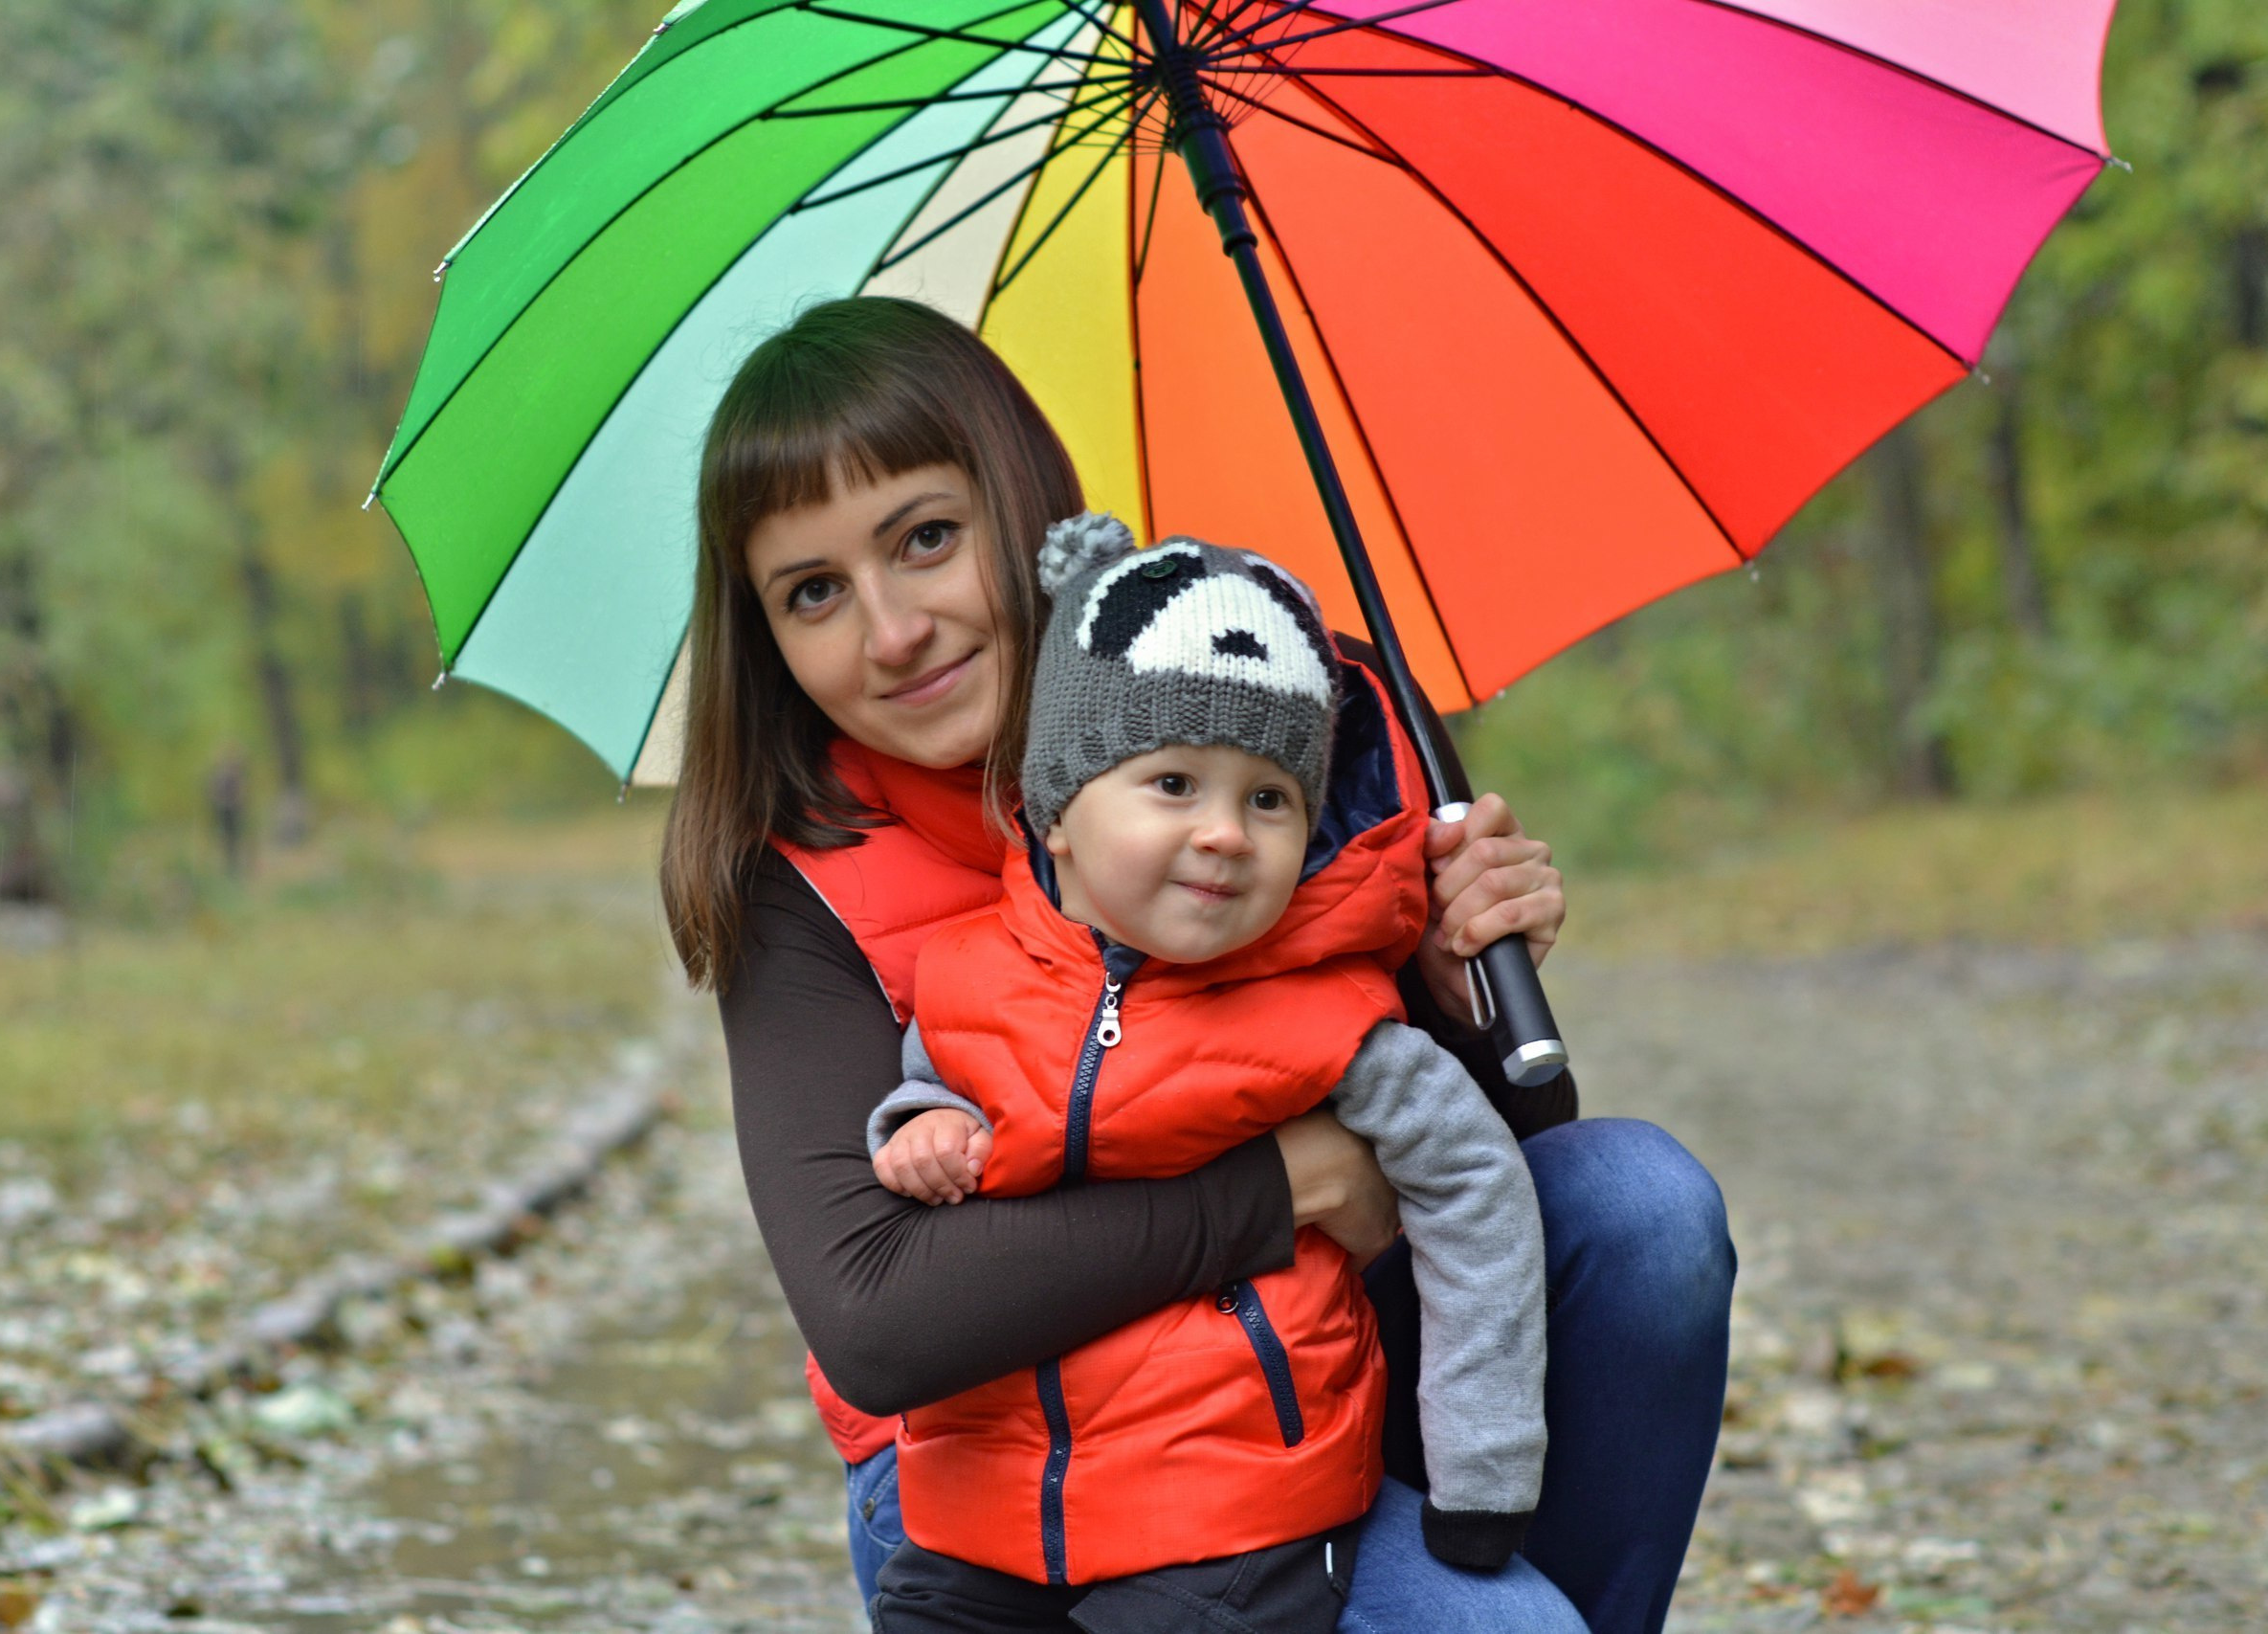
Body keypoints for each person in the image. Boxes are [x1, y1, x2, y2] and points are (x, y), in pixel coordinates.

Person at [660, 296, 1733, 1634]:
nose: (891, 631)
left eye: (925, 540)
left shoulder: (1274, 719)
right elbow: (880, 1321)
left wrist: (1459, 987)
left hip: (1312, 1364)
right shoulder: (805, 876)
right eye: (814, 592)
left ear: (1025, 510)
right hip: (1011, 1484)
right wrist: (1275, 1187)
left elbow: (1460, 1153)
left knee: (1640, 1205)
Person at [859, 518, 1548, 1632]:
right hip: (986, 1507)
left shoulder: (1333, 1018)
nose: (1226, 833)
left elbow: (1474, 1188)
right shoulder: (970, 976)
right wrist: (922, 1129)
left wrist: (1484, 1463)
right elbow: (929, 1083)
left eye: (1268, 798)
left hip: (1234, 1506)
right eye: (1174, 782)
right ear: (1057, 814)